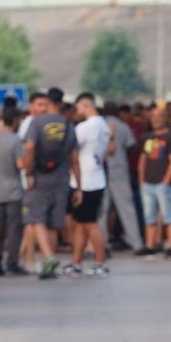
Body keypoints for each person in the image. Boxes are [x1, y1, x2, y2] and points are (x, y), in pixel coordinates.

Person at [20, 90, 80, 279]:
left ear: (48, 103)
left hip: (40, 177)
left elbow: (29, 147)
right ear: (61, 103)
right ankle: (50, 267)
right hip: (61, 179)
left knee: (36, 219)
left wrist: (28, 173)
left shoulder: (37, 122)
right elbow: (75, 158)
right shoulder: (68, 125)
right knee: (54, 223)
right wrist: (79, 186)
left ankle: (48, 256)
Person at [65, 93, 112, 277]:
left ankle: (101, 262)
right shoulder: (103, 125)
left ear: (85, 106)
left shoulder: (84, 127)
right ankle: (76, 262)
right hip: (97, 177)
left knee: (90, 224)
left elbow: (72, 152)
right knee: (81, 224)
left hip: (84, 181)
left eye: (78, 108)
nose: (76, 112)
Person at [0, 108, 26, 275]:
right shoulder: (16, 140)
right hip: (13, 191)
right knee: (14, 229)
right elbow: (20, 165)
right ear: (15, 121)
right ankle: (12, 263)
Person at [137, 106, 171, 258]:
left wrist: (166, 181)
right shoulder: (147, 136)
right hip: (147, 183)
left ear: (165, 118)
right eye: (153, 116)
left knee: (168, 216)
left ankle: (170, 246)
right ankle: (150, 245)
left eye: (159, 116)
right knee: (149, 216)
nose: (155, 119)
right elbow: (143, 159)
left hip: (163, 183)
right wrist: (141, 180)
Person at [99, 103, 143, 254]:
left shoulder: (99, 125)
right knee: (127, 208)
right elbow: (131, 145)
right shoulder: (123, 126)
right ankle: (136, 243)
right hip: (120, 170)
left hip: (101, 171)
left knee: (101, 210)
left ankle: (102, 244)